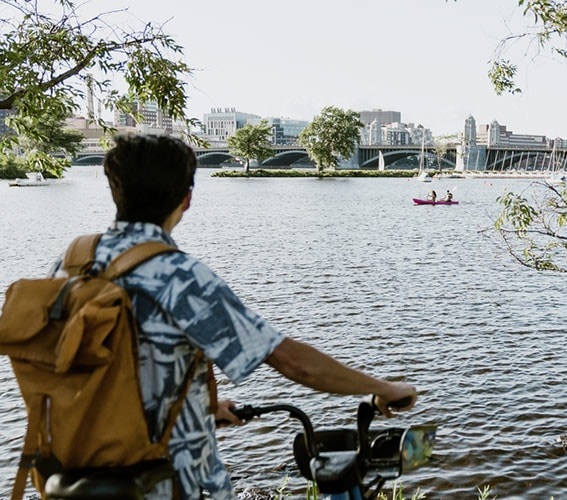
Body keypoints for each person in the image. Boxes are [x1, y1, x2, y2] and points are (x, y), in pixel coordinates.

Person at [49, 134, 417, 499]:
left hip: (78, 470)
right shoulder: (178, 275)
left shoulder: (70, 264)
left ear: (116, 191)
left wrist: (205, 408)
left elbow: (116, 365)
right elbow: (293, 362)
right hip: (162, 483)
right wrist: (385, 389)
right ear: (187, 198)